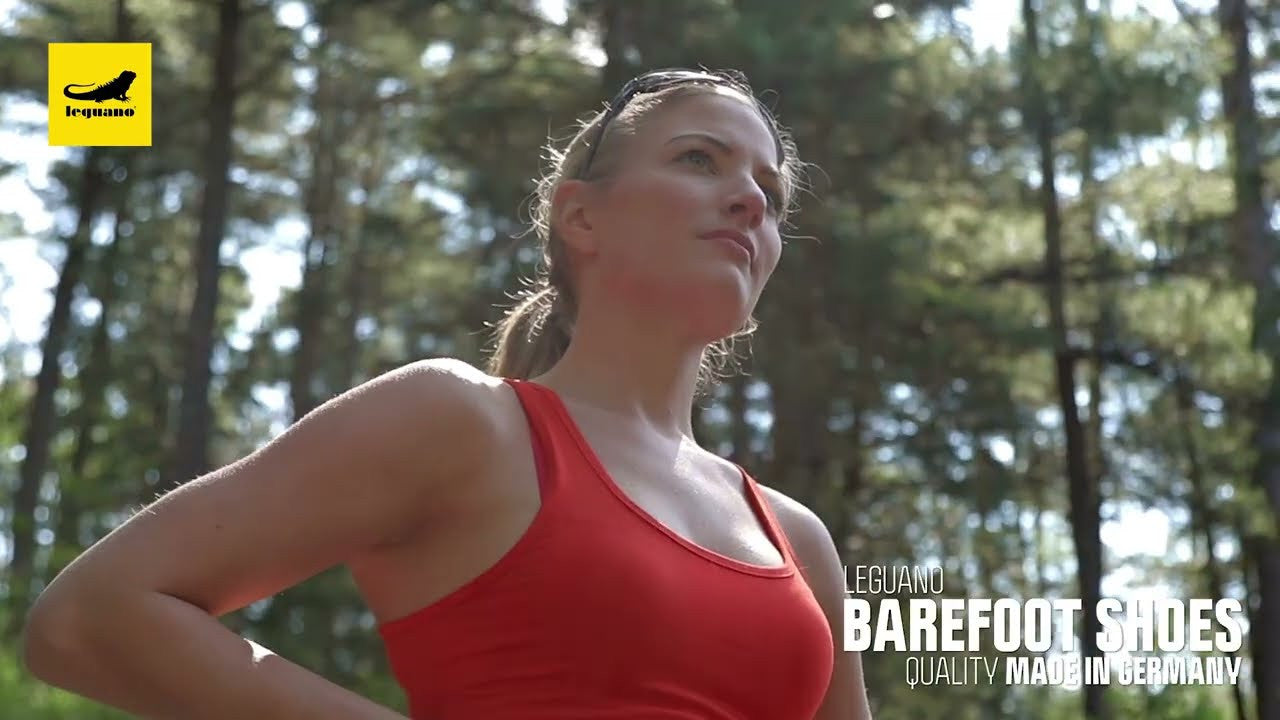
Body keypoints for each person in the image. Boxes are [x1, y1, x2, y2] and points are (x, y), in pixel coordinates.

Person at [22, 67, 873, 719]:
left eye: (772, 193)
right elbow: (91, 617)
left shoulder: (800, 541)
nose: (750, 202)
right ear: (581, 219)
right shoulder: (464, 425)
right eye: (700, 159)